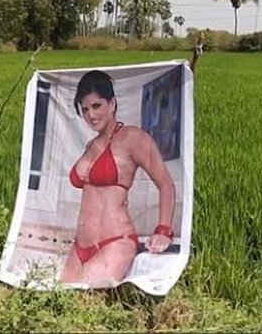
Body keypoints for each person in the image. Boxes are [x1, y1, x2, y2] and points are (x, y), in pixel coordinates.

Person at [60, 70, 176, 287]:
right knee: (58, 298)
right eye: (85, 109)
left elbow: (166, 184)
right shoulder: (91, 145)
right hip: (80, 247)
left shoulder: (132, 138)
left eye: (97, 106)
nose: (91, 115)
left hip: (115, 242)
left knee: (84, 300)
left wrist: (163, 230)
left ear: (112, 103)